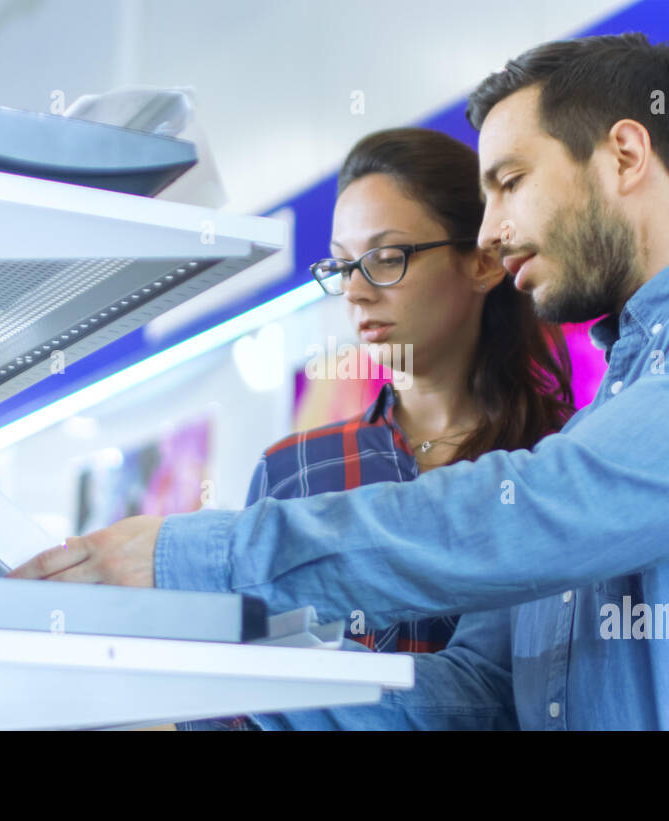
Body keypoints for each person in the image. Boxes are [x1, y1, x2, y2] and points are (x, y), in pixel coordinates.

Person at [11, 33, 669, 730]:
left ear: (627, 156)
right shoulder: (604, 415)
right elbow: (470, 695)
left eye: (511, 182)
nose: (492, 232)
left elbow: (550, 511)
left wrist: (197, 559)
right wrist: (204, 649)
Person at [178, 126, 575, 730]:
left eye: (386, 258)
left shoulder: (562, 460)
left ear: (482, 261)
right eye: (341, 266)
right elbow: (238, 700)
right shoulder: (297, 471)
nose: (356, 293)